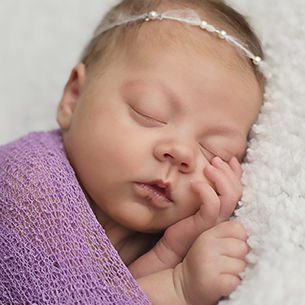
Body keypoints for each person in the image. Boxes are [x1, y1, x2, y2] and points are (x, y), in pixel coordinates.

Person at [0, 0, 266, 304]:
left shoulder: (154, 238)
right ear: (73, 98)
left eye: (214, 149)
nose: (181, 153)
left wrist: (173, 252)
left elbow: (103, 287)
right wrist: (176, 289)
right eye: (149, 113)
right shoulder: (25, 183)